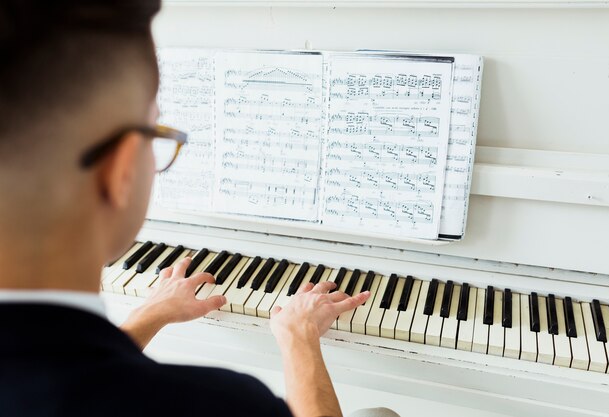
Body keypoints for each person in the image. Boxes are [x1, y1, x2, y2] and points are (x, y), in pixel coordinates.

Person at [0, 1, 402, 416]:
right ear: (119, 172)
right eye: (153, 132)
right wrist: (299, 337)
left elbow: (55, 379)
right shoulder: (225, 404)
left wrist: (145, 317)